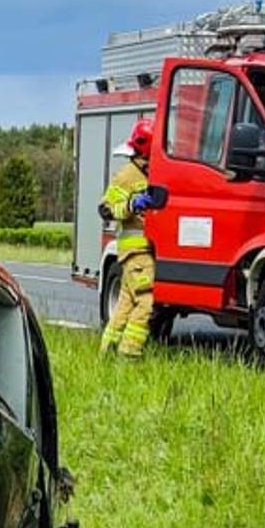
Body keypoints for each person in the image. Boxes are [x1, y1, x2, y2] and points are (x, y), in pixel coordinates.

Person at [101, 118, 159, 358]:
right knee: (145, 302)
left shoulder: (151, 172)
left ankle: (107, 352)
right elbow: (106, 209)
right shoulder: (127, 176)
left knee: (125, 304)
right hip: (136, 251)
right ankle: (129, 355)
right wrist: (132, 205)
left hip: (141, 251)